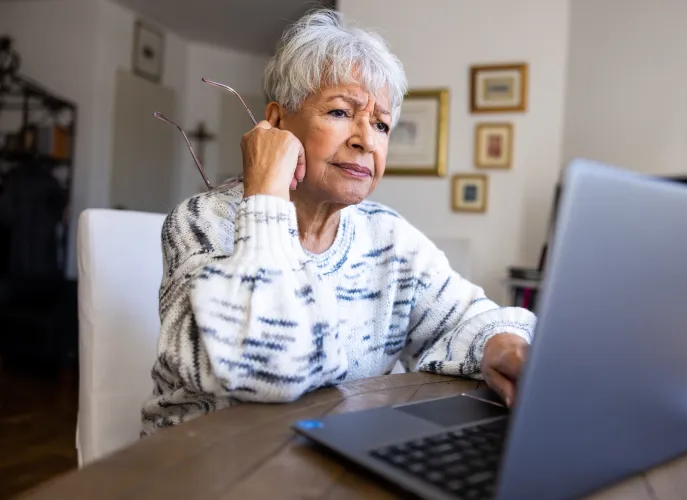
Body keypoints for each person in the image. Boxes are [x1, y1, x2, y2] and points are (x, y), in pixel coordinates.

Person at [141, 9, 536, 436]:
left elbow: (469, 317)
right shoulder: (203, 222)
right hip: (207, 457)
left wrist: (501, 343)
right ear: (276, 122)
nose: (366, 140)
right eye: (340, 113)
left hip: (323, 450)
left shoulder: (389, 238)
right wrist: (268, 196)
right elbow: (269, 366)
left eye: (381, 124)